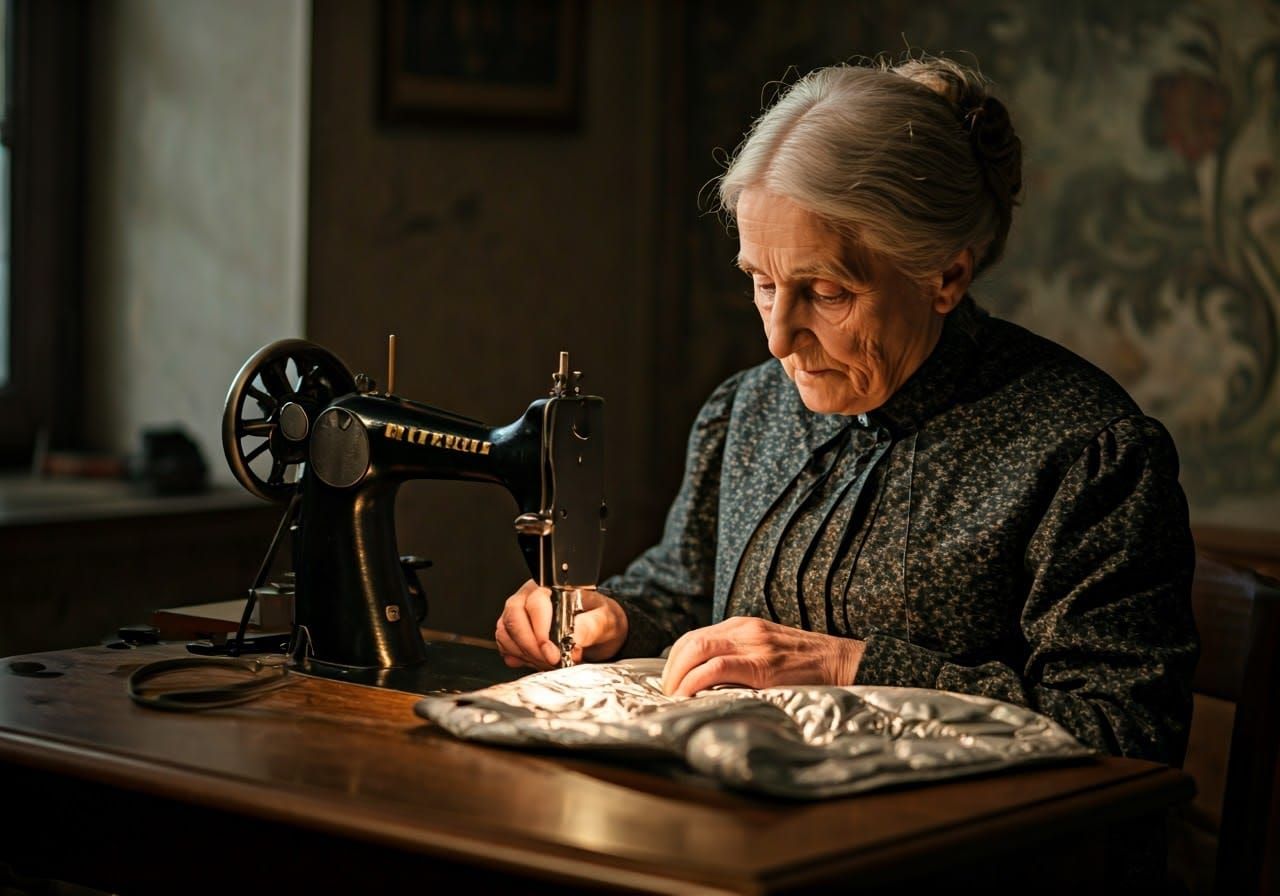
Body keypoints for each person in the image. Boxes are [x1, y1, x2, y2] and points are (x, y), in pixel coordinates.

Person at [494, 56, 1198, 768]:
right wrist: (613, 618)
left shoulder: (1086, 453)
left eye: (827, 293)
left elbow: (1126, 732)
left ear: (945, 276)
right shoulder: (748, 411)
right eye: (762, 283)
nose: (778, 339)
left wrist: (849, 668)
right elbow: (683, 591)